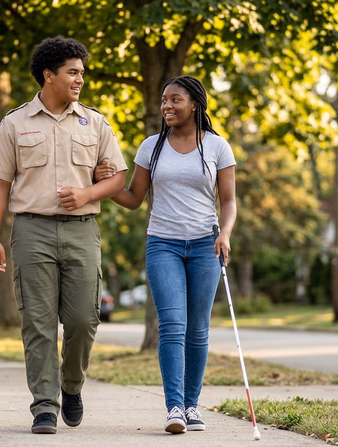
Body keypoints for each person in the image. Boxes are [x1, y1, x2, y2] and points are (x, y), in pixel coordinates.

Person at [0, 36, 127, 435]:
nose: (80, 79)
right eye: (73, 72)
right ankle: (44, 406)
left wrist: (86, 193)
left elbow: (118, 178)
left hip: (83, 231)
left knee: (84, 319)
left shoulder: (95, 122)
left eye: (82, 72)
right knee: (38, 323)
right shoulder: (14, 123)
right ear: (49, 75)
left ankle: (72, 385)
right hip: (31, 230)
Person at [94, 75, 237, 434]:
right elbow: (133, 198)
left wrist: (226, 234)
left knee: (198, 329)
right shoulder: (151, 147)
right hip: (163, 244)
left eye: (175, 100)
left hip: (206, 244)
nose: (167, 106)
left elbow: (230, 201)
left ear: (195, 104)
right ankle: (174, 407)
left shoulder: (218, 147)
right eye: (163, 101)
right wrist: (104, 186)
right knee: (172, 325)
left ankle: (192, 406)